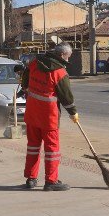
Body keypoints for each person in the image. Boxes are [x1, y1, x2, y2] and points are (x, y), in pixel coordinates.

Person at [21, 43, 78, 191]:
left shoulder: (34, 63)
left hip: (32, 113)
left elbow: (25, 79)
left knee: (33, 147)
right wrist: (73, 112)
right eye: (67, 57)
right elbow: (66, 97)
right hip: (49, 117)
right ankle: (51, 181)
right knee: (52, 149)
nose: (68, 59)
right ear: (61, 55)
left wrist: (27, 88)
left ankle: (31, 178)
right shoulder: (60, 73)